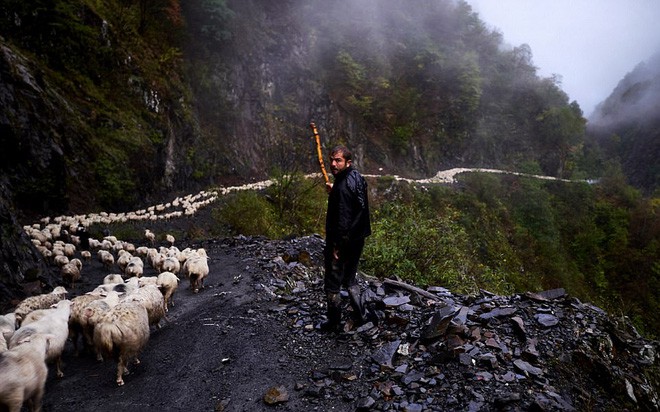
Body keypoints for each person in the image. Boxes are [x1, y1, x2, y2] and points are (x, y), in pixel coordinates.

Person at [320, 145, 371, 332]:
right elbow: (355, 202)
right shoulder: (356, 177)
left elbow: (342, 219)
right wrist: (335, 189)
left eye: (338, 160)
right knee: (350, 278)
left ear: (347, 162)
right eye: (332, 159)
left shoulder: (342, 187)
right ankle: (361, 314)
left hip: (344, 241)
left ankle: (333, 322)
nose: (333, 164)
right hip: (358, 238)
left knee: (332, 283)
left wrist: (336, 247)